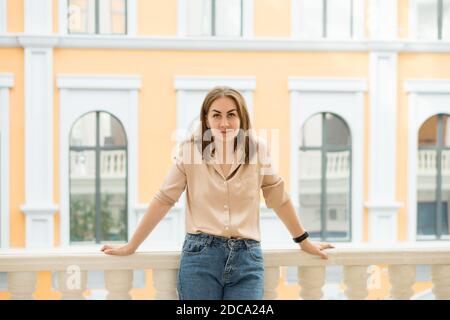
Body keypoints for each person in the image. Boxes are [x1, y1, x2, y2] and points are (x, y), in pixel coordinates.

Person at [101, 86, 334, 300]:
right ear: (206, 119)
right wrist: (132, 245)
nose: (224, 123)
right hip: (200, 256)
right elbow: (164, 199)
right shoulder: (190, 150)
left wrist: (303, 241)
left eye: (231, 115)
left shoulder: (258, 149)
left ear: (241, 118)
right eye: (216, 115)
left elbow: (278, 198)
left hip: (247, 257)